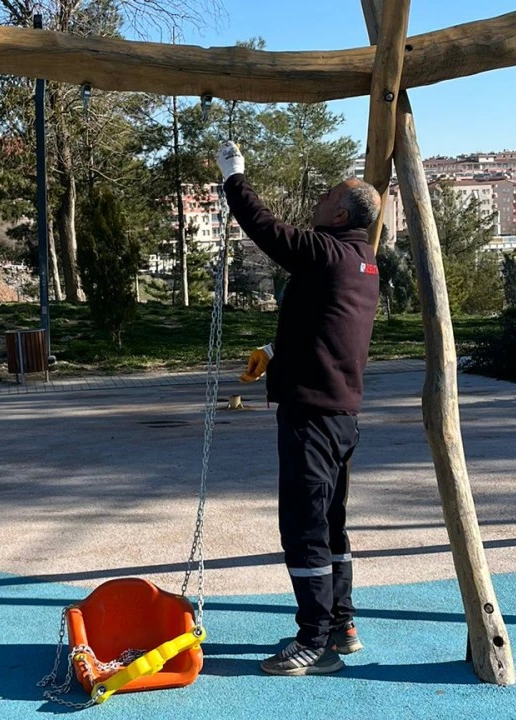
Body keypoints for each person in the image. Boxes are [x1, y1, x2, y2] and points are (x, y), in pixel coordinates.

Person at [217, 141, 381, 676]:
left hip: (312, 415)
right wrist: (273, 352)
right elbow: (327, 330)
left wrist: (234, 178)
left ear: (340, 213)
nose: (319, 196)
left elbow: (269, 231)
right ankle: (343, 623)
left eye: (329, 194)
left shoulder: (328, 252)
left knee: (305, 526)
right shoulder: (360, 262)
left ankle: (314, 641)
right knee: (330, 523)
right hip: (339, 413)